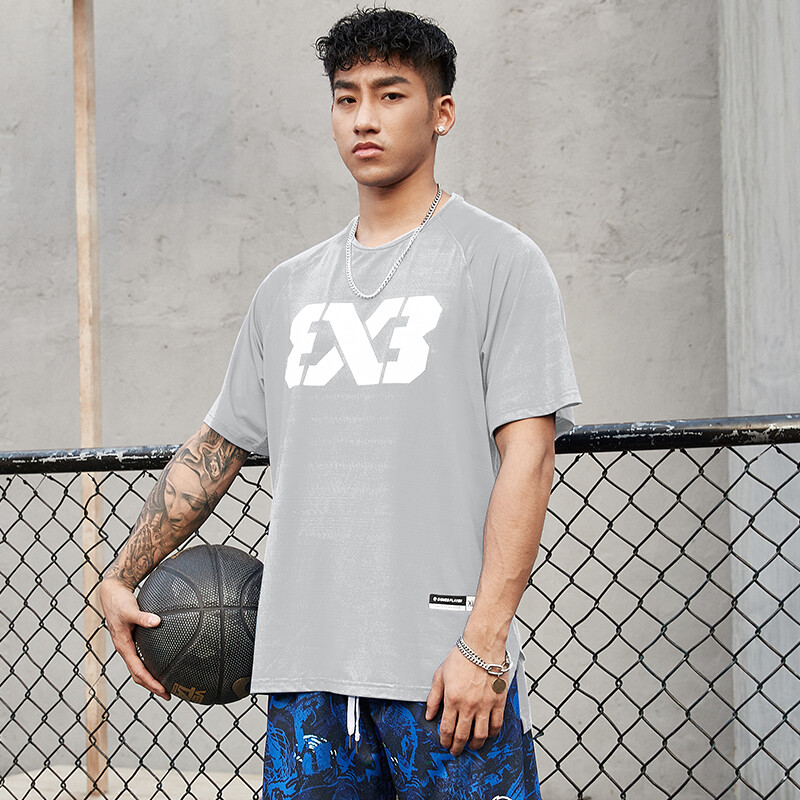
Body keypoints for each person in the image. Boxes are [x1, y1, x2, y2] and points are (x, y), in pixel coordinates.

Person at [99, 7, 581, 799]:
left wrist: (485, 643)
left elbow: (528, 458)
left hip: (446, 674)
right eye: (346, 97)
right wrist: (121, 574)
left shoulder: (500, 261)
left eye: (390, 95)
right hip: (305, 679)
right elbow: (216, 446)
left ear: (442, 113)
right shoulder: (287, 289)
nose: (364, 118)